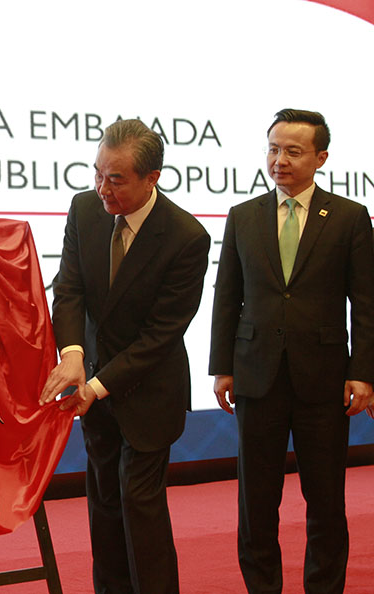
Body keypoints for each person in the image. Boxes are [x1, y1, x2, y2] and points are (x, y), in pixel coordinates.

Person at [40, 118, 210, 594]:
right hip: (92, 389)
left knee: (140, 506)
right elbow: (69, 288)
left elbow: (160, 336)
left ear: (151, 177)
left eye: (115, 179)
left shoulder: (186, 237)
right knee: (106, 509)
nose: (102, 188)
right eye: (97, 173)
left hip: (148, 392)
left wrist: (95, 385)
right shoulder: (85, 210)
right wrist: (72, 353)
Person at [209, 108, 374, 593]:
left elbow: (366, 302)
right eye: (274, 148)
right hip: (255, 375)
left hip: (323, 380)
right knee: (256, 502)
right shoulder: (243, 216)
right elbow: (227, 296)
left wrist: (363, 371)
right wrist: (222, 366)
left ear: (321, 157)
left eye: (293, 151)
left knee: (325, 500)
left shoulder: (348, 217)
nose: (279, 160)